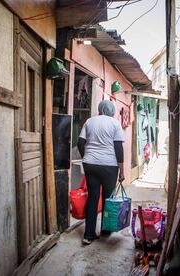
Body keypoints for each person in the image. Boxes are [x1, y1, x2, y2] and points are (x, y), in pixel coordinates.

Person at [77, 100, 125, 245]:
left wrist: (87, 157)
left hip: (90, 164)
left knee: (93, 198)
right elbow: (118, 148)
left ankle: (89, 235)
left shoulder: (89, 122)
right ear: (112, 111)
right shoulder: (115, 124)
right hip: (109, 166)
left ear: (100, 109)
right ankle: (105, 231)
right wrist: (121, 170)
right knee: (107, 198)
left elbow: (80, 143)